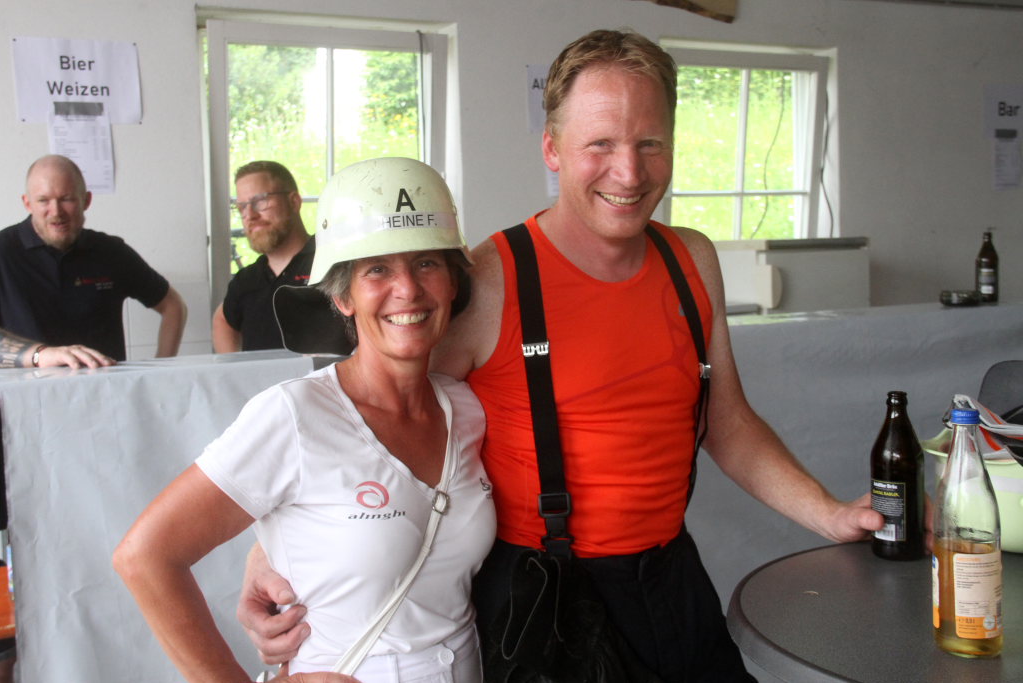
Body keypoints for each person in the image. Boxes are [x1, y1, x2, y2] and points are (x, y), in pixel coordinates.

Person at [238, 30, 889, 682]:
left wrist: (829, 513)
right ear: (552, 148)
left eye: (650, 143)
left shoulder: (691, 259)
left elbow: (729, 423)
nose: (628, 172)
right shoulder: (492, 279)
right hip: (542, 603)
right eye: (599, 144)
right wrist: (270, 553)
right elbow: (374, 420)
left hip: (673, 583)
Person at [114, 157, 496, 683]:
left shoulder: (468, 409)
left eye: (427, 262)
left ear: (453, 283)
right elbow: (145, 557)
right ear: (342, 296)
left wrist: (266, 552)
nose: (408, 289)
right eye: (377, 269)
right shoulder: (294, 415)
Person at [0, 154, 187, 366]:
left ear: (86, 200)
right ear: (27, 203)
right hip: (27, 386)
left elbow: (173, 306)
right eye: (43, 200)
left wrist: (161, 367)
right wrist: (40, 356)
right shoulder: (3, 251)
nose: (56, 212)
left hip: (104, 384)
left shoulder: (112, 252)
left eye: (66, 199)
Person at [212, 161, 315, 353]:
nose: (249, 215)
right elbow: (223, 319)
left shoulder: (332, 264)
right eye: (241, 207)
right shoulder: (245, 280)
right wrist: (232, 366)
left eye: (260, 201)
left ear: (294, 202)